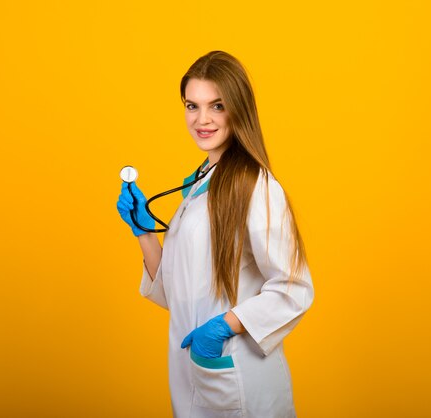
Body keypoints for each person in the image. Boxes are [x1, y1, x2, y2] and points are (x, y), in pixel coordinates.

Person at [116, 50, 315, 418]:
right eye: (192, 105)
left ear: (238, 109)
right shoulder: (199, 184)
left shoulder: (253, 184)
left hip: (238, 375)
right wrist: (144, 232)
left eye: (217, 106)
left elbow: (294, 288)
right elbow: (179, 293)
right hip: (196, 375)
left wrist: (223, 328)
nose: (202, 120)